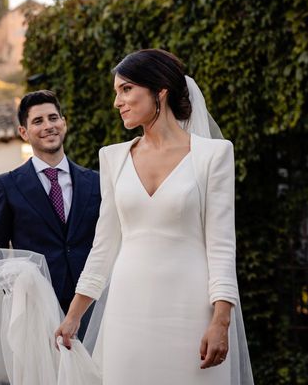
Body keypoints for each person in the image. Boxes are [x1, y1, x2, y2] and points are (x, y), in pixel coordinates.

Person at [55, 49, 253, 384]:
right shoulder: (113, 158)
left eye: (127, 89)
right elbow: (104, 246)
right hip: (127, 308)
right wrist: (74, 316)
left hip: (189, 307)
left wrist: (221, 321)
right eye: (117, 92)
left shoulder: (214, 155)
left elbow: (221, 245)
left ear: (160, 90)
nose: (118, 101)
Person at [0, 90, 101, 336]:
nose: (48, 126)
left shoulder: (96, 182)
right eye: (38, 121)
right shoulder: (7, 186)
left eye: (53, 118)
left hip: (93, 308)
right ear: (23, 132)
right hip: (38, 313)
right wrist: (22, 288)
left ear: (64, 123)